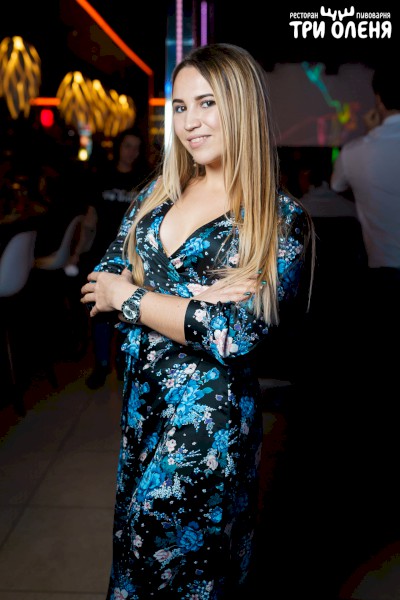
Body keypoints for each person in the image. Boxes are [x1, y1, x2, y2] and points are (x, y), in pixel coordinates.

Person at [81, 43, 314, 599]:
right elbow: (100, 283)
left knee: (186, 576)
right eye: (180, 107)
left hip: (206, 428)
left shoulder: (279, 218)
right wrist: (192, 303)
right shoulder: (158, 194)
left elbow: (234, 333)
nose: (189, 122)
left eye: (207, 103)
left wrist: (134, 296)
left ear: (241, 106)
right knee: (134, 563)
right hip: (141, 414)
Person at [330, 64, 400, 350]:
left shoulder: (355, 152)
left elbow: (337, 185)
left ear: (378, 99)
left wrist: (371, 134)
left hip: (384, 275)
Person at [82, 126, 153, 388]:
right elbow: (90, 219)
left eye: (137, 147)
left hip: (134, 258)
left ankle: (123, 364)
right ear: (118, 148)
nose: (132, 152)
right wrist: (76, 254)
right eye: (127, 146)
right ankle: (101, 364)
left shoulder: (145, 180)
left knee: (127, 312)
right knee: (99, 312)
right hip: (103, 253)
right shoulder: (102, 176)